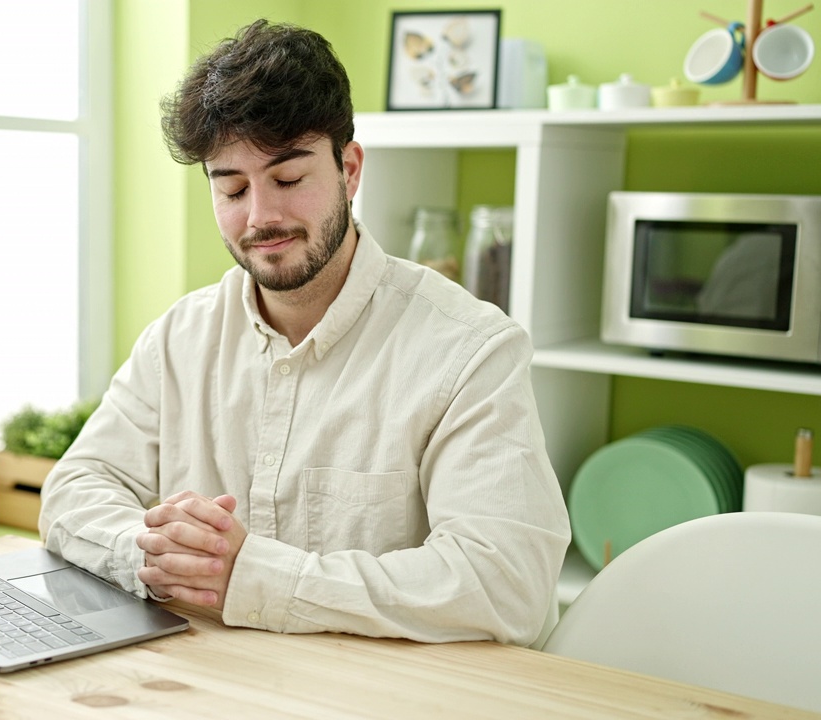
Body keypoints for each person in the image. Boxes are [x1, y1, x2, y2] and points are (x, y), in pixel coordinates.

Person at [39, 19, 570, 646]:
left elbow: (506, 582)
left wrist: (255, 576)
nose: (261, 217)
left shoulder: (470, 350)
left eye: (288, 180)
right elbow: (73, 490)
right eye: (232, 189)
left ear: (349, 170)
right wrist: (151, 551)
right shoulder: (180, 338)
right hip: (204, 684)